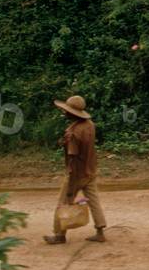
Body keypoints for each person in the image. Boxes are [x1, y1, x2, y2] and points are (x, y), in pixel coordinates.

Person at [44, 95, 107, 245]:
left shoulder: (73, 133)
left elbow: (72, 156)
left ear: (72, 113)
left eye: (66, 110)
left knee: (64, 202)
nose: (64, 112)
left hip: (77, 173)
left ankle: (59, 234)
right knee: (93, 200)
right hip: (90, 169)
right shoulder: (89, 125)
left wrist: (71, 180)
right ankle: (100, 231)